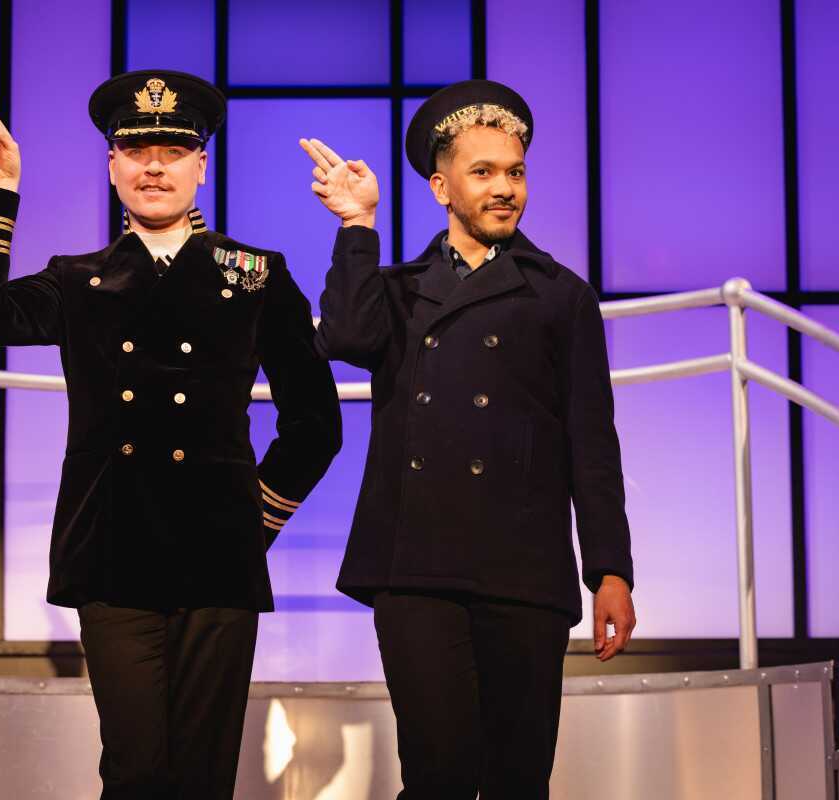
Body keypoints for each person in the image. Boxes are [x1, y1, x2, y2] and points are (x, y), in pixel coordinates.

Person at [0, 70, 341, 799]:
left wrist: (253, 520)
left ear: (201, 166)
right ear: (112, 167)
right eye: (135, 151)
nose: (153, 167)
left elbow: (316, 423)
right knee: (134, 771)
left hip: (218, 557)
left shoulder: (255, 276)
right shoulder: (79, 280)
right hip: (113, 554)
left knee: (202, 776)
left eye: (173, 151)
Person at [300, 80, 636, 798]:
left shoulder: (560, 295)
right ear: (441, 187)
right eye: (483, 172)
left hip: (525, 570)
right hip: (416, 568)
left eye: (515, 172)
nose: (504, 189)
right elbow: (346, 338)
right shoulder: (397, 289)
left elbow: (591, 441)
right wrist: (358, 225)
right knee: (438, 776)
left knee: (518, 780)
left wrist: (610, 569)